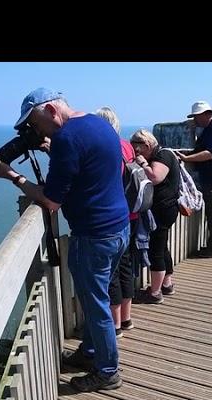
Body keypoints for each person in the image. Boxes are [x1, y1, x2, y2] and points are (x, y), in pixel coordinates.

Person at [0, 88, 130, 392]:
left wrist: (11, 175)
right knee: (100, 298)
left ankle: (107, 372)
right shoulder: (99, 124)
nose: (36, 130)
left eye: (36, 122)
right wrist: (54, 150)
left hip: (93, 235)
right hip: (119, 229)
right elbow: (86, 164)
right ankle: (90, 354)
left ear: (52, 110)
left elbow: (51, 201)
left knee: (96, 306)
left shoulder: (67, 138)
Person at [95, 107, 137, 338]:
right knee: (125, 268)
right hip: (130, 215)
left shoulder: (110, 147)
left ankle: (116, 324)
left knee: (112, 274)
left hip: (114, 217)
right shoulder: (127, 145)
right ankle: (127, 319)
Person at [130, 129, 180, 303]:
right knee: (162, 247)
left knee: (156, 251)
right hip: (166, 208)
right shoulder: (160, 154)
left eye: (138, 149)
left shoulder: (163, 155)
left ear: (147, 145)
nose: (136, 153)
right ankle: (167, 284)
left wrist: (143, 164)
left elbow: (156, 177)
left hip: (162, 210)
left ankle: (155, 293)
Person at [177, 101, 212, 258]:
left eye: (197, 117)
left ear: (207, 114)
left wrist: (186, 158)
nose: (196, 120)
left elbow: (209, 153)